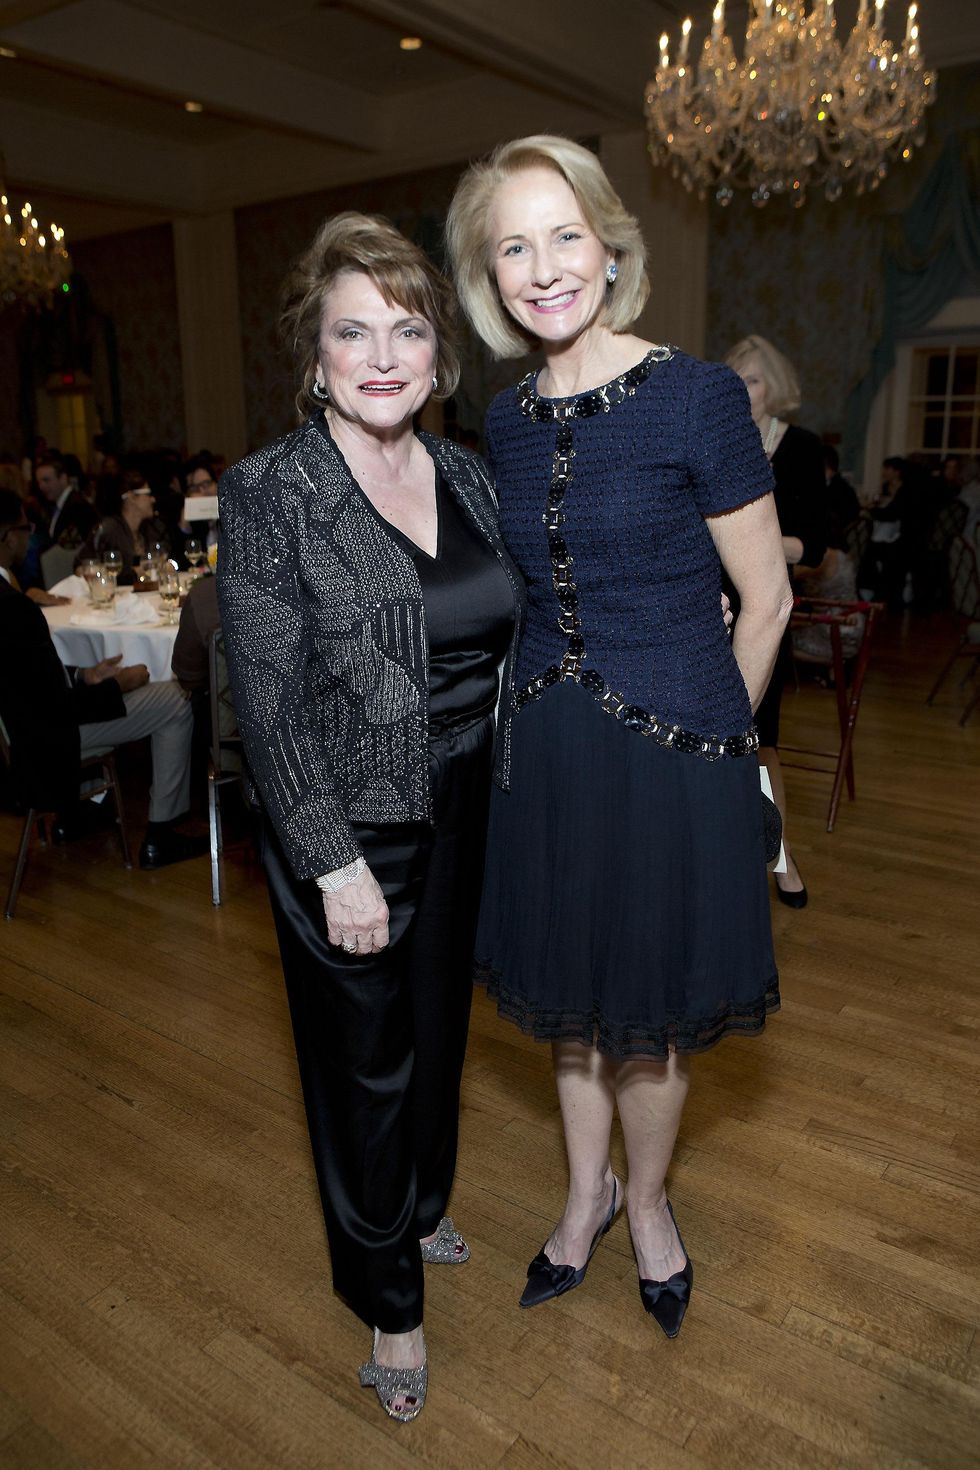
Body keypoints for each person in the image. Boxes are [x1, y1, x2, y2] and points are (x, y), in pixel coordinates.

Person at [445, 136, 791, 1339]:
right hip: (545, 754)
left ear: (608, 244)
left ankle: (646, 1204)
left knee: (644, 1016)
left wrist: (706, 748)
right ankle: (579, 1195)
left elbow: (768, 600)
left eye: (562, 235)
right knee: (570, 1008)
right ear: (489, 275)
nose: (543, 267)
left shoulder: (695, 395)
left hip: (672, 759)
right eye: (512, 246)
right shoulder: (502, 418)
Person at [217, 212, 523, 1421]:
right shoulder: (271, 491)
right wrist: (333, 863)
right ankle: (387, 1300)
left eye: (407, 330)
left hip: (466, 796)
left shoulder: (465, 474)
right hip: (345, 820)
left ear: (440, 356)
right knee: (364, 1066)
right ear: (315, 359)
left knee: (440, 1026)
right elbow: (268, 702)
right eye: (355, 333)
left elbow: (516, 622)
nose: (383, 356)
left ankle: (425, 1209)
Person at [0, 490, 205, 868]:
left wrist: (84, 674)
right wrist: (117, 685)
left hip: (22, 734)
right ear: (7, 536)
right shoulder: (14, 608)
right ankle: (162, 832)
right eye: (25, 529)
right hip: (46, 739)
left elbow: (29, 683)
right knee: (176, 697)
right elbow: (52, 708)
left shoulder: (10, 600)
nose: (29, 537)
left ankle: (79, 814)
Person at [725, 335, 827, 908]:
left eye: (754, 380)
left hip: (763, 607)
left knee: (761, 743)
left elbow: (812, 547)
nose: (742, 390)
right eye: (733, 378)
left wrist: (752, 543)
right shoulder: (712, 439)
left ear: (775, 388)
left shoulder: (801, 447)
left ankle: (782, 856)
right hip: (705, 606)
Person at [75, 471, 171, 583]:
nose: (153, 499)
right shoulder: (109, 530)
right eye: (148, 494)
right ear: (131, 497)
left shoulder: (150, 529)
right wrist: (135, 573)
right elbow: (83, 568)